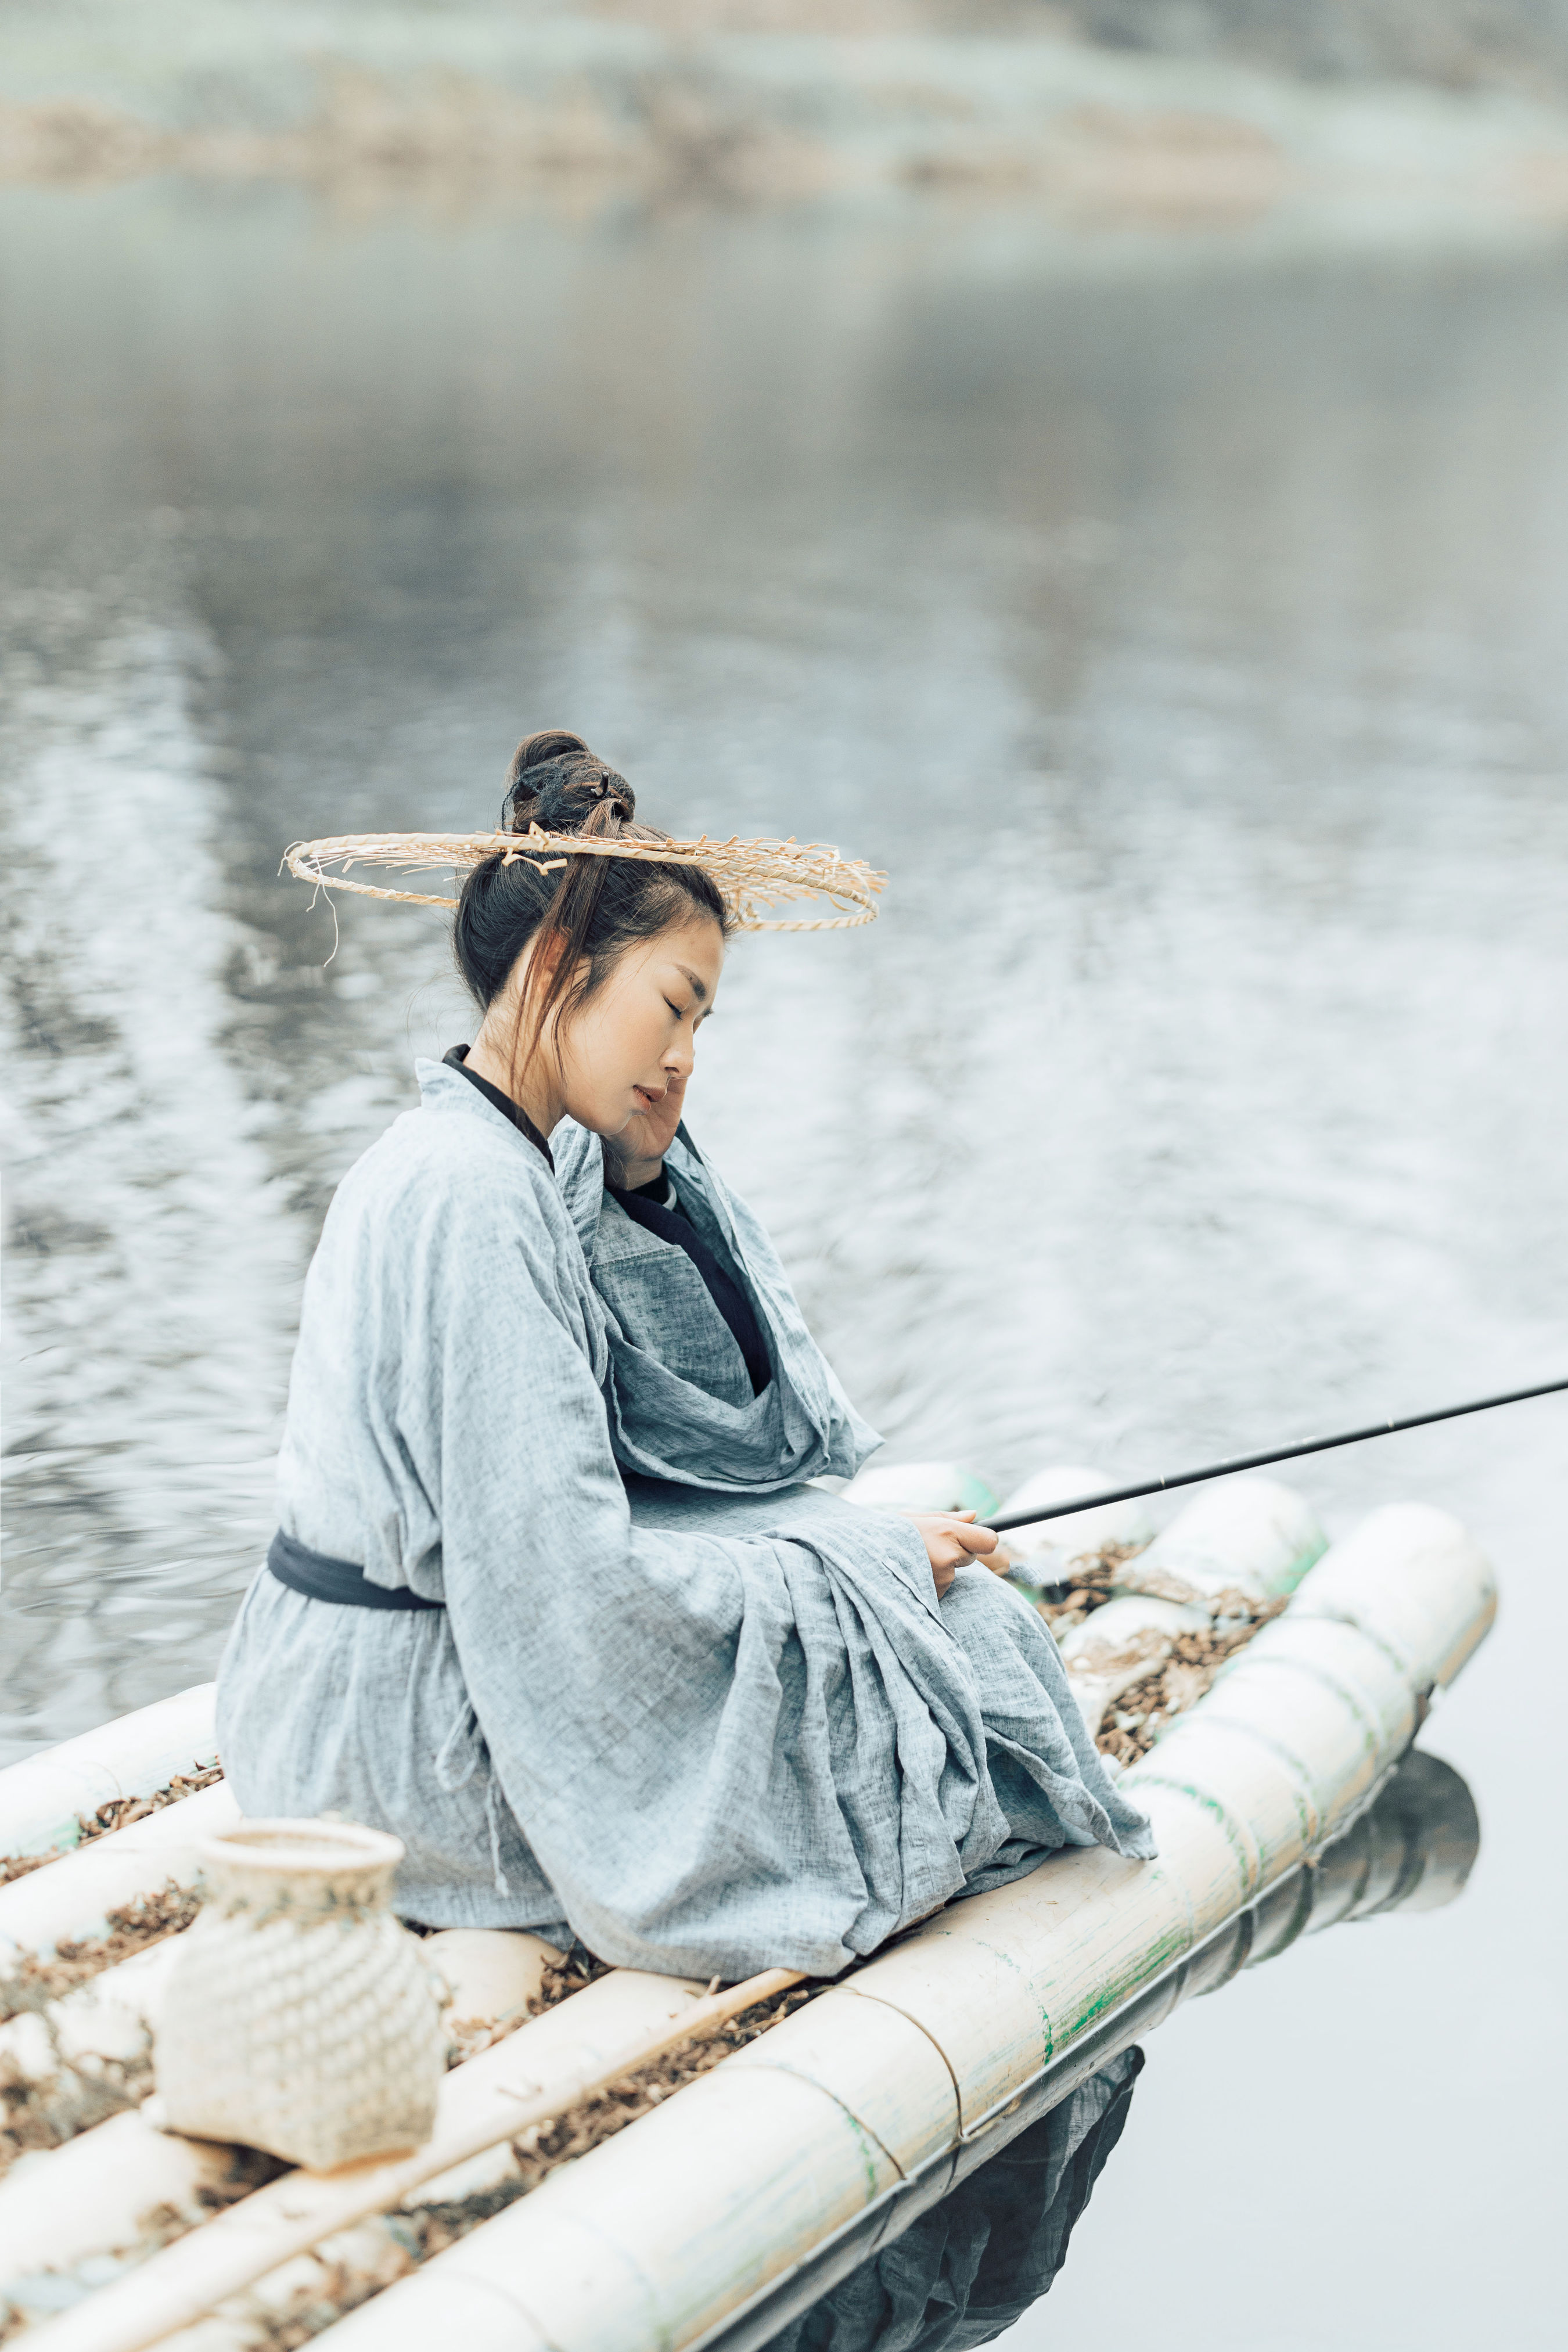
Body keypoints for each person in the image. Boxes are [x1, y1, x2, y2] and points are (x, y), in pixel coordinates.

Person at [218, 731, 1153, 1981]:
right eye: (672, 1006)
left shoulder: (486, 1158)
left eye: (702, 1022)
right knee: (965, 1657)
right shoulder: (476, 1200)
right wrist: (860, 1570)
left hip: (353, 1699)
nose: (684, 1059)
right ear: (559, 965)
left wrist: (645, 1169)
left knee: (944, 1622)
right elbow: (568, 1597)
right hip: (401, 1755)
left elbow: (679, 1442)